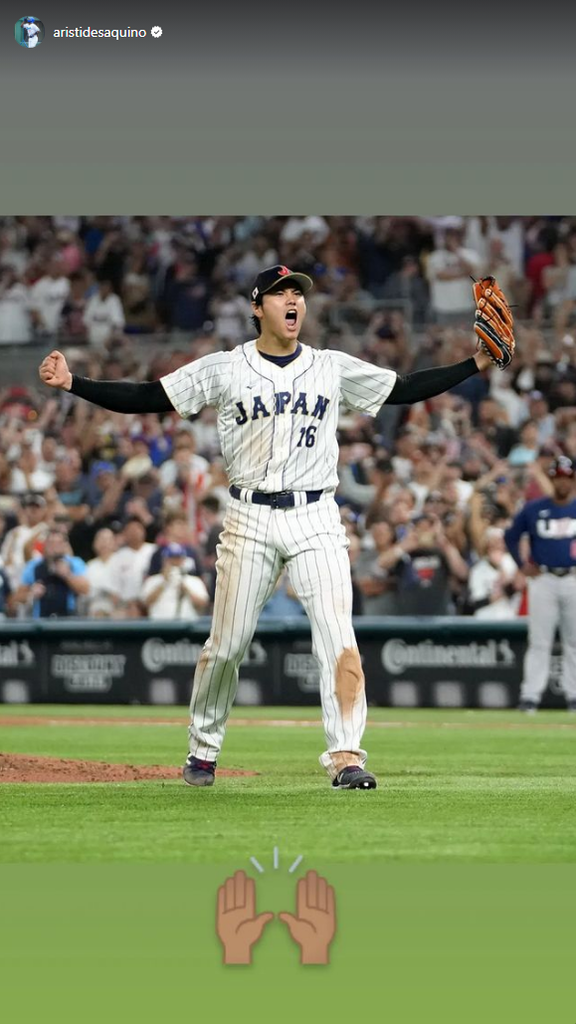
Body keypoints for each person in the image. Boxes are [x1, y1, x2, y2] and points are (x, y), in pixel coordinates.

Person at [39, 263, 495, 790]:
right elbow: (148, 397)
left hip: (316, 514)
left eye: (297, 293)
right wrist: (73, 383)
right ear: (258, 308)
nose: (292, 300)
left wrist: (477, 361)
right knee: (227, 646)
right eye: (280, 294)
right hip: (248, 516)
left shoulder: (330, 366)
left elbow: (406, 387)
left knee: (337, 635)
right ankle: (203, 749)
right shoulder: (226, 368)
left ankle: (347, 755)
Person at [504, 455, 576, 712]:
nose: (562, 482)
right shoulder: (534, 508)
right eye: (557, 476)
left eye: (566, 477)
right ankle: (530, 696)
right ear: (552, 478)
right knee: (539, 641)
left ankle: (574, 696)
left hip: (572, 578)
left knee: (574, 642)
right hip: (543, 578)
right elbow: (511, 536)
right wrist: (522, 564)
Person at [14, 529, 89, 618]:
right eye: (51, 543)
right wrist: (31, 594)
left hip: (69, 619)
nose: (54, 547)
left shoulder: (75, 563)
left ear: (65, 545)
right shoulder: (33, 565)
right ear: (45, 545)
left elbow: (85, 590)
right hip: (40, 621)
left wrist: (68, 575)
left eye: (58, 543)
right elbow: (17, 598)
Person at [142, 543, 209, 621]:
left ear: (183, 560)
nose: (174, 562)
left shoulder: (194, 580)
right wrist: (164, 582)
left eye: (178, 559)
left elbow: (203, 604)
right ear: (164, 560)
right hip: (159, 626)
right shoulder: (153, 580)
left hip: (186, 626)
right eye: (171, 558)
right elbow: (146, 603)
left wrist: (186, 589)